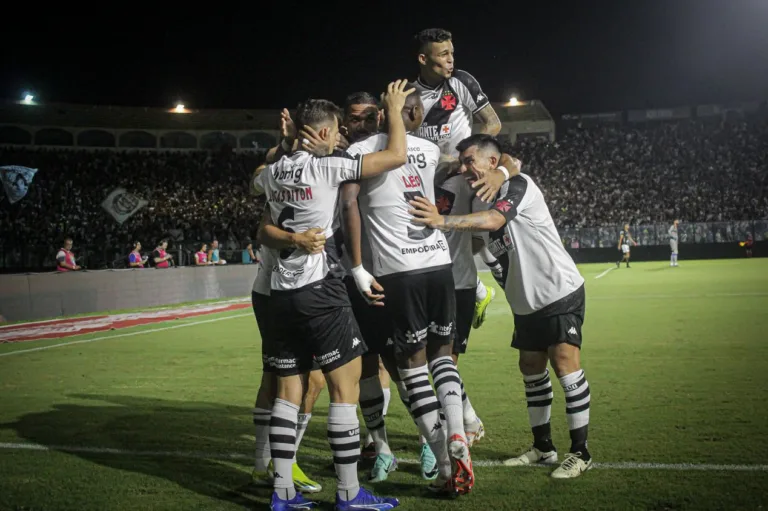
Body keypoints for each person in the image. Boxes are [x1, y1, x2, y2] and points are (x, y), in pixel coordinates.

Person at [251, 80, 414, 511]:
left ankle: (282, 494)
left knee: (288, 391)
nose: (341, 133)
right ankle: (349, 493)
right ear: (324, 132)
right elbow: (396, 156)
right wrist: (394, 109)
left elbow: (259, 207)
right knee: (345, 388)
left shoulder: (272, 172)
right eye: (337, 128)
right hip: (319, 290)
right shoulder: (329, 167)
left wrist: (287, 145)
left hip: (279, 292)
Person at [410, 134, 594, 479]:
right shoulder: (478, 200)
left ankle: (580, 452)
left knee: (565, 364)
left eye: (470, 161)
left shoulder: (518, 185)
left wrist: (441, 220)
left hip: (558, 290)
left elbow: (495, 220)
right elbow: (482, 242)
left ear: (492, 162)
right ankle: (543, 448)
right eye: (462, 162)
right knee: (531, 367)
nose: (465, 168)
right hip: (525, 301)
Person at [343, 84, 485, 497]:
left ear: (383, 112)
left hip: (398, 271)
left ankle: (444, 462)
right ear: (416, 116)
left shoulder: (361, 153)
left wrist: (357, 267)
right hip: (438, 264)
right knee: (443, 356)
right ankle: (457, 431)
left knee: (411, 367)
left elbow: (349, 205)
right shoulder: (428, 150)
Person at [412, 27, 502, 330]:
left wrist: (468, 158)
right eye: (443, 54)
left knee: (458, 233)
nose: (451, 59)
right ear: (423, 59)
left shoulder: (461, 81)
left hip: (460, 177)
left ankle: (491, 276)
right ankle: (479, 290)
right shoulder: (410, 94)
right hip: (426, 178)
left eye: (452, 53)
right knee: (439, 239)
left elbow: (493, 123)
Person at [251, 211, 327, 495]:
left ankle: (264, 465)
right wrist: (296, 239)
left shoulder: (285, 190)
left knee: (277, 378)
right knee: (304, 380)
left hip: (280, 291)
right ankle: (284, 462)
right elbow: (263, 231)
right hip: (284, 292)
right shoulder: (289, 192)